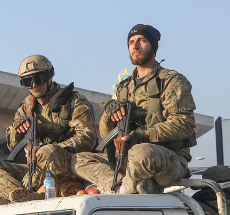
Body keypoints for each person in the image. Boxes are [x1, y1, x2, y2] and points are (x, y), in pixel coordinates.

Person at [74, 25, 196, 194]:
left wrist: (143, 135)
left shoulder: (171, 81)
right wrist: (109, 113)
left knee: (141, 152)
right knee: (78, 159)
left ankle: (126, 189)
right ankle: (117, 185)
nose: (135, 46)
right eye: (131, 42)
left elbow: (184, 124)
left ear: (153, 46)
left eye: (142, 40)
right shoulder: (124, 88)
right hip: (125, 158)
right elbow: (105, 135)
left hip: (165, 158)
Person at [0, 54, 96, 202]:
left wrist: (52, 148)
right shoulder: (25, 109)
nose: (34, 85)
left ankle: (24, 195)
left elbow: (88, 137)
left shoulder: (73, 101)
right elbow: (12, 147)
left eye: (38, 79)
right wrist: (16, 131)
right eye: (27, 81)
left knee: (48, 152)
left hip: (69, 165)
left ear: (49, 75)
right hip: (36, 170)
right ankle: (18, 194)